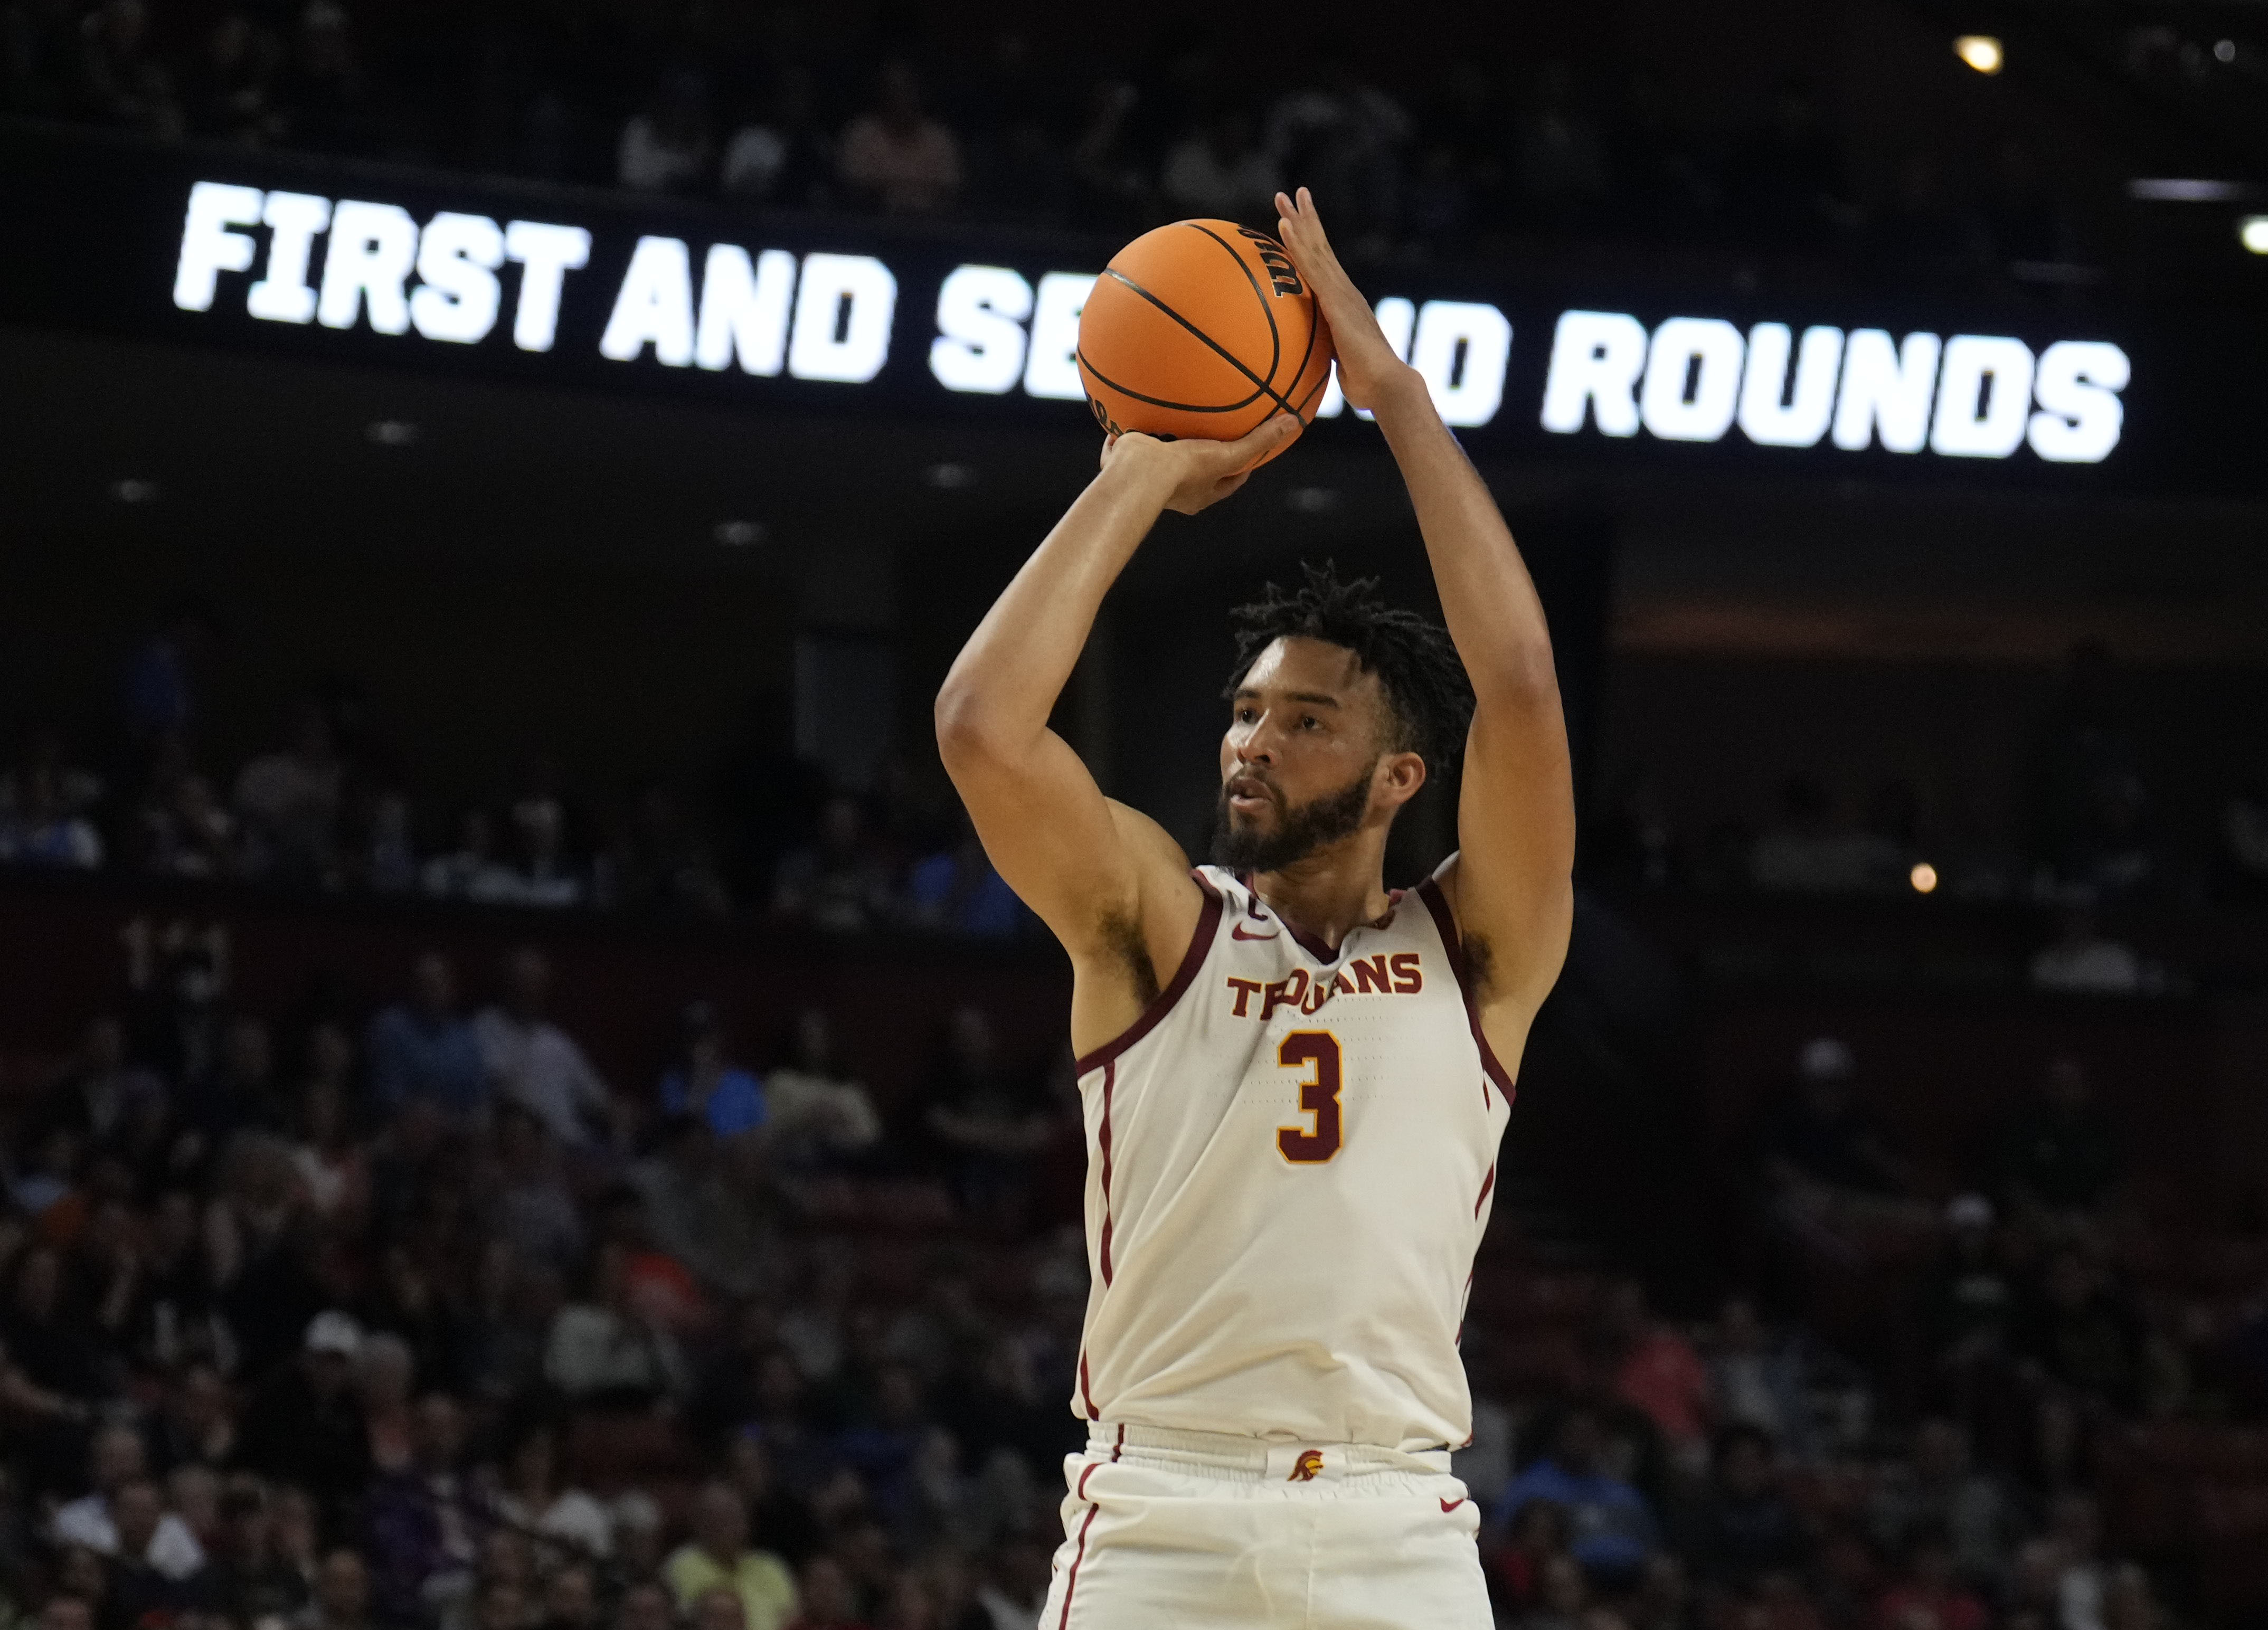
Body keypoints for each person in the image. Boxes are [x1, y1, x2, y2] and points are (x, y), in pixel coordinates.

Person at [933, 186, 1575, 1627]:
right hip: (1161, 1512)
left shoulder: (1478, 954)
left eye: (1302, 721)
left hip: (1394, 1521)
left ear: (1403, 772)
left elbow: (1522, 691)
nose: (1251, 742)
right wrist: (1143, 471)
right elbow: (981, 725)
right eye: (1241, 714)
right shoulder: (1158, 920)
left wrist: (1395, 394)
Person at [475, 948, 616, 1148]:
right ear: (508, 983)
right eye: (523, 983)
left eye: (536, 984)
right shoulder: (487, 1026)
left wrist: (619, 1113)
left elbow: (598, 1098)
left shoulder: (556, 1040)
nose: (529, 992)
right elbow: (503, 1093)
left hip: (577, 1144)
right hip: (525, 1146)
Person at [367, 953, 487, 1121]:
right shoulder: (392, 1027)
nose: (433, 990)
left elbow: (476, 1095)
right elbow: (389, 1095)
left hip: (457, 1131)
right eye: (426, 984)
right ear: (414, 987)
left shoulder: (464, 1036)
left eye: (439, 983)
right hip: (402, 1127)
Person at [662, 1483, 798, 1630]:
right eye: (717, 1518)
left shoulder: (770, 1565)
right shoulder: (680, 1566)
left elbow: (793, 1617)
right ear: (699, 1523)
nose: (728, 1526)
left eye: (734, 1516)